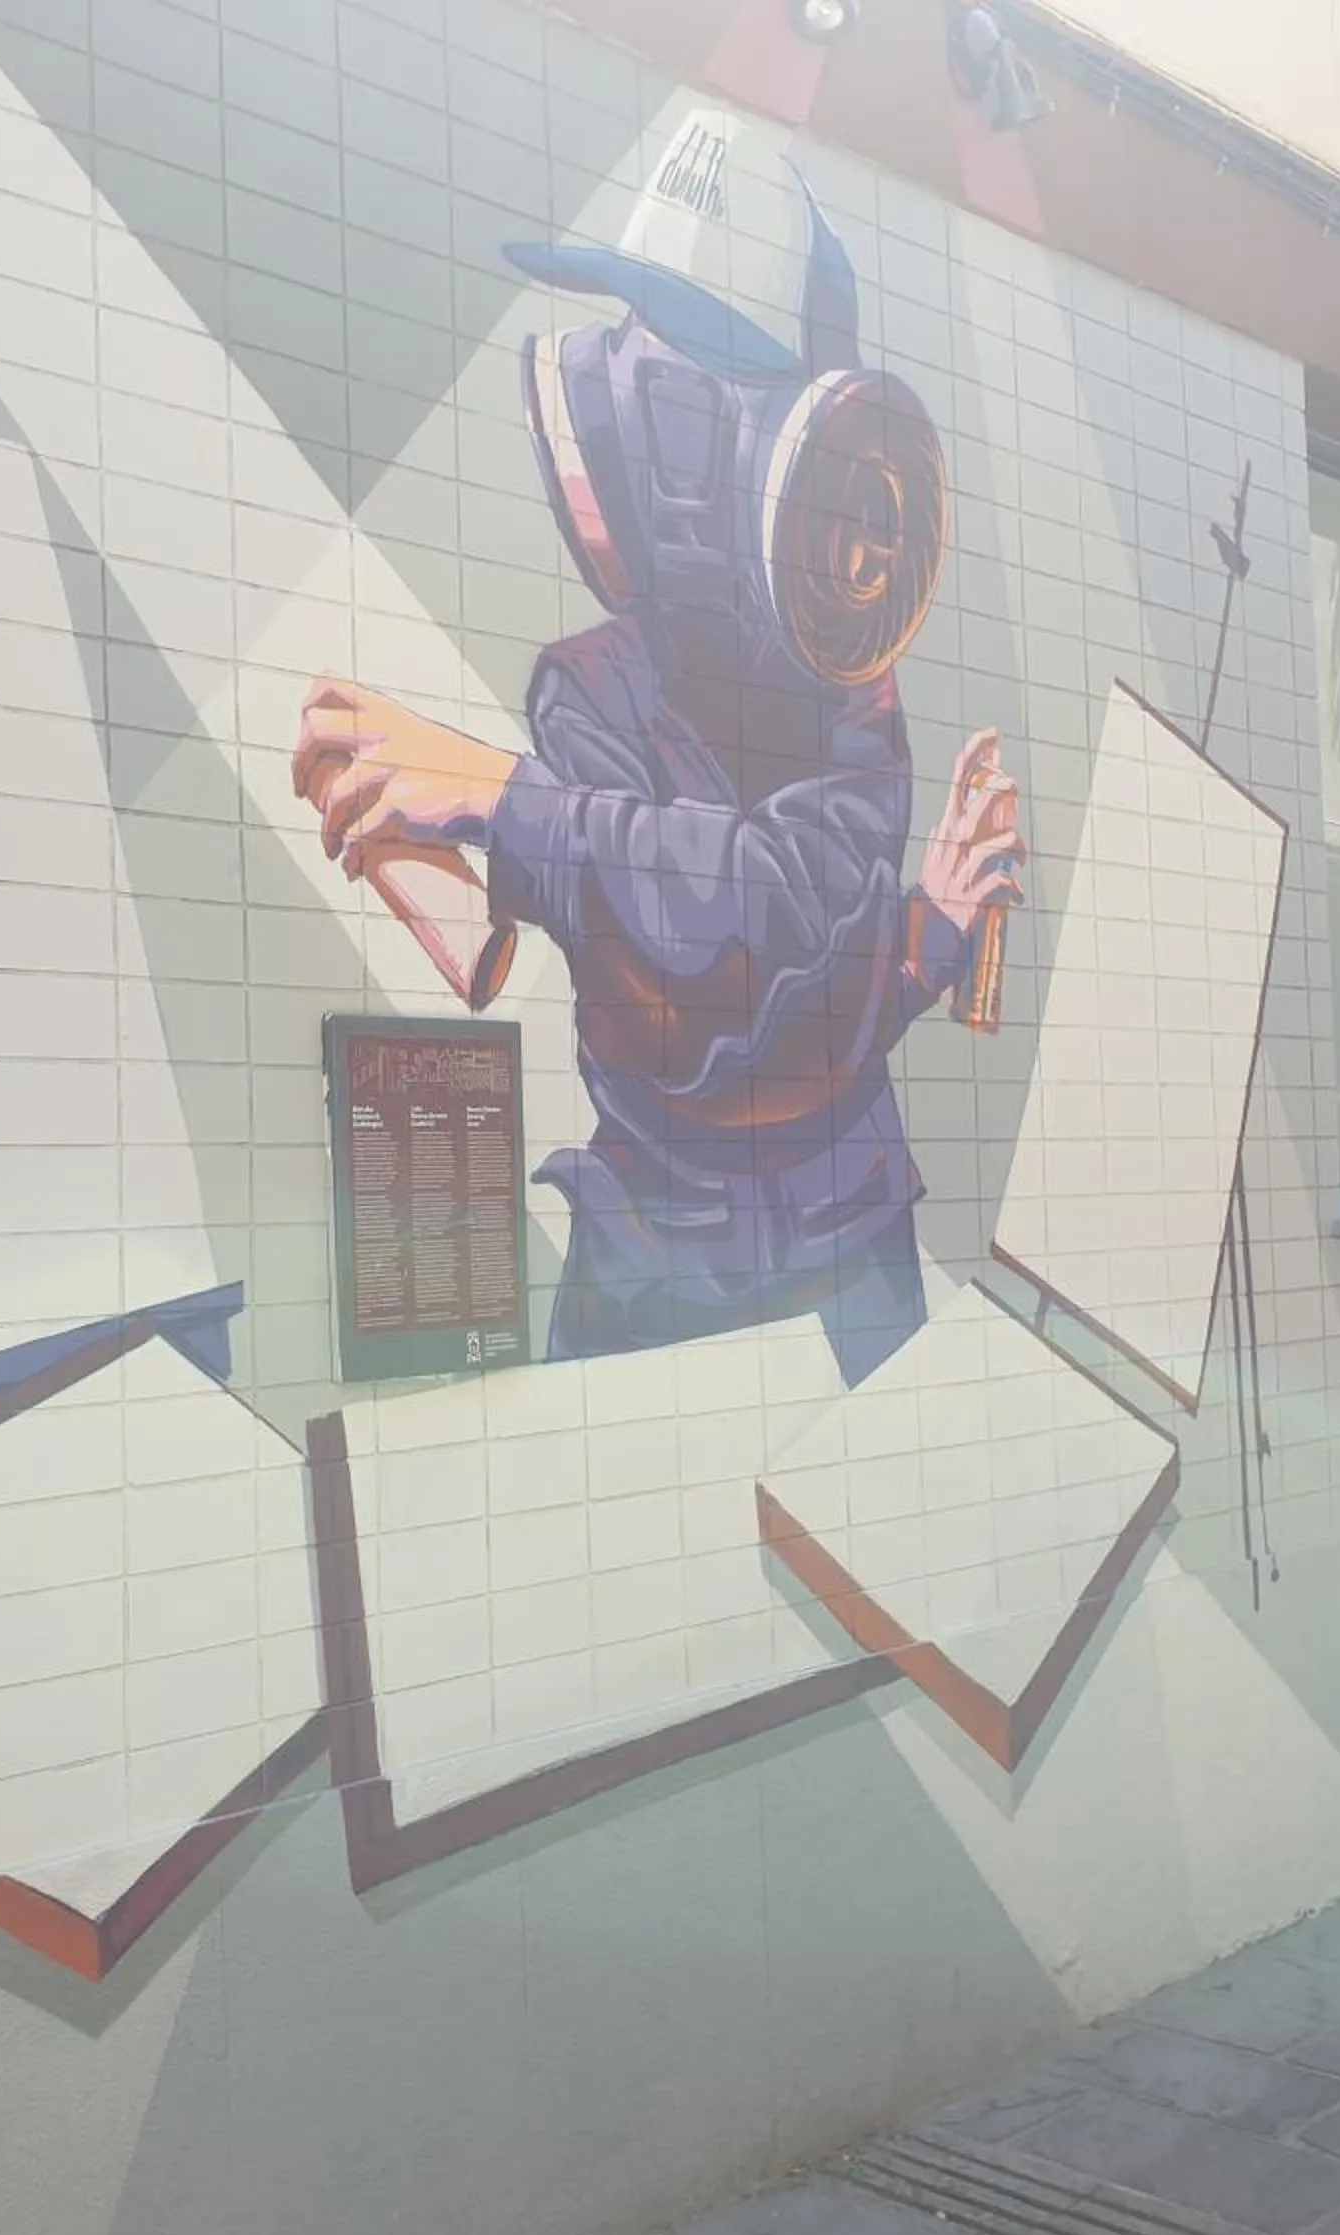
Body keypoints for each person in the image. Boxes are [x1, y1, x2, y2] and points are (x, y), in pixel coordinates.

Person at [292, 112, 1020, 1387]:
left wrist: (507, 806)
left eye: (678, 356)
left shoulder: (850, 693)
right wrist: (915, 941)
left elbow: (775, 924)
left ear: (812, 443)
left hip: (850, 1259)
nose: (619, 382)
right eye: (627, 342)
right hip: (650, 1270)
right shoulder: (589, 688)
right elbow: (709, 1011)